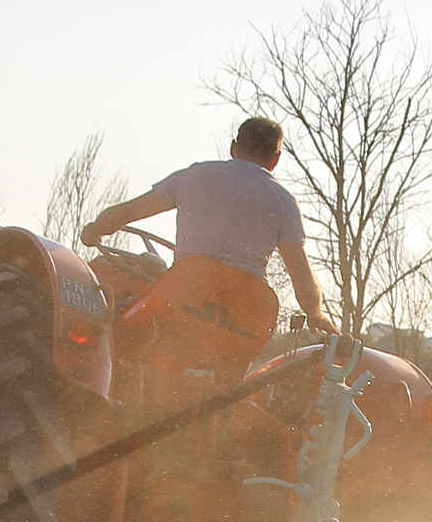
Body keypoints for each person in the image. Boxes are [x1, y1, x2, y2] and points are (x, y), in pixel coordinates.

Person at [82, 118, 335, 389]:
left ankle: (107, 391)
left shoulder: (195, 176)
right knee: (232, 370)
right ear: (275, 160)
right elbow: (300, 271)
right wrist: (316, 313)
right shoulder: (283, 201)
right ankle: (222, 407)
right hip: (243, 314)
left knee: (114, 316)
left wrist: (97, 228)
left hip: (184, 298)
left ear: (233, 148)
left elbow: (129, 212)